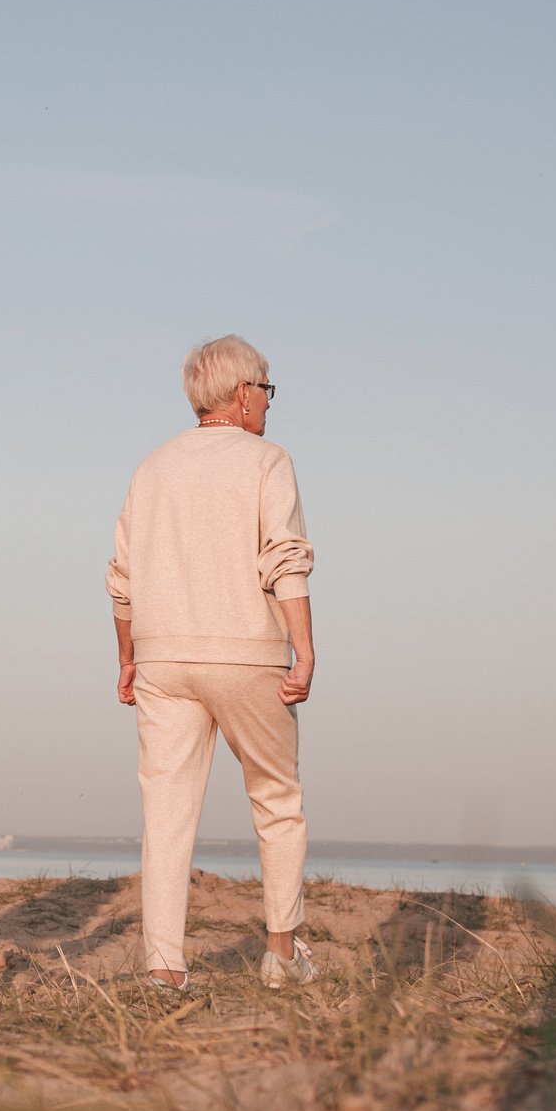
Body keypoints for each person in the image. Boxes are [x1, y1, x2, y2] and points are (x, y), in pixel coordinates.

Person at [107, 335, 317, 989]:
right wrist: (304, 648)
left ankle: (165, 966)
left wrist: (127, 658)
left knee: (165, 812)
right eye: (266, 388)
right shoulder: (266, 459)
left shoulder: (152, 466)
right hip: (246, 653)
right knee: (276, 796)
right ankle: (282, 955)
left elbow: (122, 577)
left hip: (163, 657)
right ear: (241, 392)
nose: (267, 402)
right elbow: (284, 555)